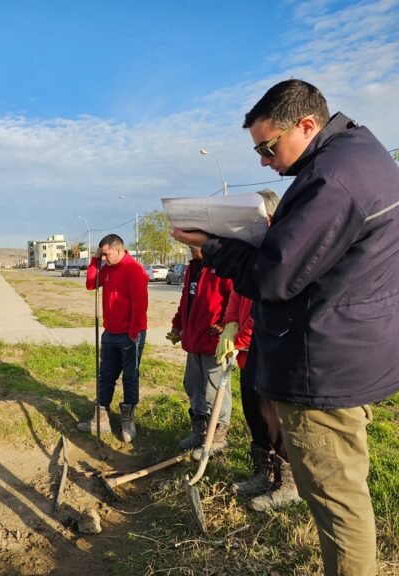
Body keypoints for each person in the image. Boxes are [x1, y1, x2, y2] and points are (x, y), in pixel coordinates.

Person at [172, 79, 399, 575]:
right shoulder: (360, 156)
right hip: (350, 351)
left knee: (338, 505)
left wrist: (211, 247)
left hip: (325, 367)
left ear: (307, 125)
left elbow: (274, 276)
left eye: (268, 147)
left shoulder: (332, 180)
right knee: (343, 493)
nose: (263, 161)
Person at [215, 190, 300, 511]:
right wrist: (228, 326)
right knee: (254, 413)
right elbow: (239, 295)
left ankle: (288, 484)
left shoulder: (280, 253)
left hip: (273, 350)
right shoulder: (252, 253)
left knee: (273, 417)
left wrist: (240, 337)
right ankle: (263, 473)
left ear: (271, 217)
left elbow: (267, 308)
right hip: (249, 354)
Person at [76, 234, 148, 443]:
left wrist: (133, 334)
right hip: (110, 333)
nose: (105, 258)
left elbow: (139, 304)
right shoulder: (107, 267)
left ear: (119, 250)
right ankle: (102, 419)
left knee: (129, 377)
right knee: (105, 375)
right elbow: (91, 283)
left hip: (130, 334)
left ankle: (127, 419)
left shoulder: (134, 270)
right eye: (103, 255)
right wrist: (95, 260)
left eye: (107, 254)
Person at [166, 246, 233, 459]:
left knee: (215, 390)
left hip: (214, 343)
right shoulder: (192, 268)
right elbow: (186, 302)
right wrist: (178, 325)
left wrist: (226, 324)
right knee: (193, 385)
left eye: (194, 244)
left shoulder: (224, 267)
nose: (190, 248)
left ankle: (218, 437)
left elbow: (236, 300)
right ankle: (200, 432)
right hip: (193, 341)